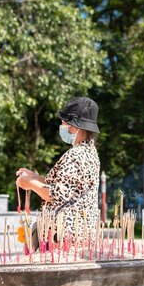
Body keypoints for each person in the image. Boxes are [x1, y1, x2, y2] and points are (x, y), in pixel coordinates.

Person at [16, 97, 100, 249]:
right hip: (78, 232)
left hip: (64, 235)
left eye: (64, 122)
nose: (61, 125)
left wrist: (28, 183)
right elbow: (66, 187)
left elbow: (55, 195)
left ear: (76, 127)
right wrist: (34, 177)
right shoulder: (90, 153)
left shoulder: (76, 155)